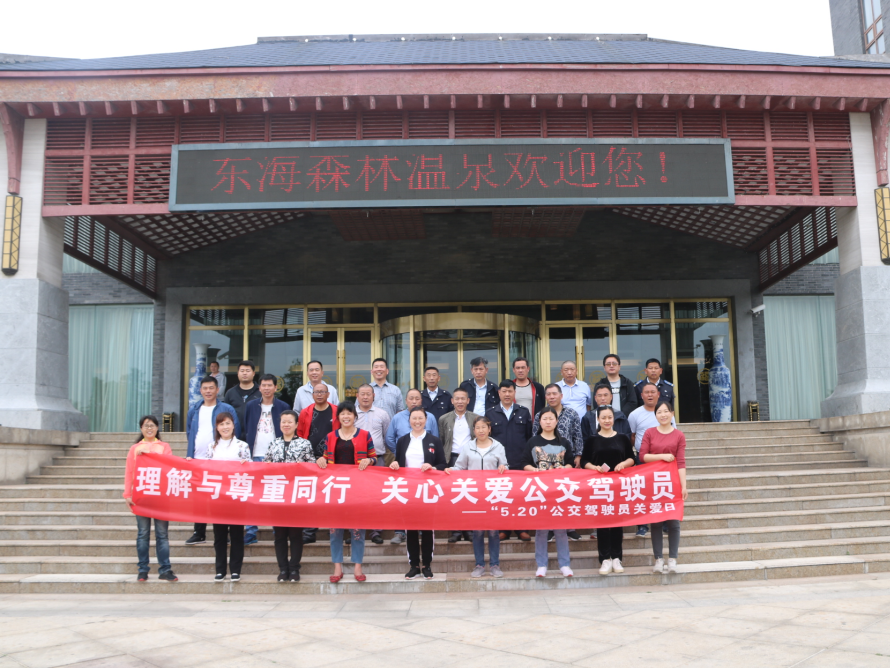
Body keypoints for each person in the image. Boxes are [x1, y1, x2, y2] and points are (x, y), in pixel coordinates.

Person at [318, 402, 374, 583]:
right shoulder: (331, 436)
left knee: (358, 530)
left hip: (358, 489)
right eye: (342, 413)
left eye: (349, 413)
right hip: (336, 489)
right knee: (335, 529)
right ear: (338, 417)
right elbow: (325, 458)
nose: (346, 416)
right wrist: (320, 460)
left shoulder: (364, 435)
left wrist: (369, 461)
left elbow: (374, 457)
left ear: (355, 416)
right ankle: (337, 567)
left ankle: (358, 566)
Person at [445, 417, 508, 577]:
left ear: (489, 429)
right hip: (475, 495)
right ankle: (479, 564)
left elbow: (505, 467)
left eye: (484, 427)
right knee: (478, 531)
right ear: (474, 431)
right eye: (477, 427)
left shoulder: (498, 446)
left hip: (493, 495)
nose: (481, 430)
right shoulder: (468, 447)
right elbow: (460, 467)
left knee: (493, 532)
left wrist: (503, 467)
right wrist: (451, 470)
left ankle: (495, 565)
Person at [390, 406, 447, 580]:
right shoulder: (402, 441)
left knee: (427, 529)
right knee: (411, 529)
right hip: (408, 490)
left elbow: (443, 465)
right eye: (414, 418)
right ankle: (414, 565)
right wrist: (394, 465)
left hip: (427, 490)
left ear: (426, 420)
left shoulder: (434, 440)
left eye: (420, 418)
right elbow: (398, 463)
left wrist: (432, 467)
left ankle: (427, 565)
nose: (417, 421)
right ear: (409, 420)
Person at [580, 405, 636, 575]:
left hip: (618, 486)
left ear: (614, 419)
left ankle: (617, 558)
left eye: (609, 417)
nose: (607, 420)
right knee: (603, 522)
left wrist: (623, 464)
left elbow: (632, 458)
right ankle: (605, 559)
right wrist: (594, 467)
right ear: (598, 419)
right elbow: (584, 461)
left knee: (617, 522)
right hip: (600, 487)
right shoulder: (592, 439)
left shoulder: (622, 438)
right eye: (603, 417)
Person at [185, 376, 240, 545]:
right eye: (205, 388)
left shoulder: (226, 408)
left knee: (223, 495)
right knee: (199, 497)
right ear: (200, 390)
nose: (208, 391)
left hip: (220, 460)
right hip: (198, 459)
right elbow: (189, 432)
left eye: (211, 388)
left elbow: (235, 430)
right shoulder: (194, 409)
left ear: (217, 390)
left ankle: (226, 531)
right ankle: (199, 532)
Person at [521, 407, 574, 578]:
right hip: (540, 490)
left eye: (551, 418)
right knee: (541, 530)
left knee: (561, 529)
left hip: (560, 490)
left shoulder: (564, 442)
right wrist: (535, 470)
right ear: (540, 422)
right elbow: (525, 464)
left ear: (557, 421)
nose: (548, 422)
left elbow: (571, 463)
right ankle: (541, 565)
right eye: (545, 419)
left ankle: (564, 564)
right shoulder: (533, 442)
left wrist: (563, 468)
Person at [124, 415, 177, 582]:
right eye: (146, 426)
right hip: (141, 496)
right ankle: (142, 569)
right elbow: (129, 472)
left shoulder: (164, 446)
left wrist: (149, 454)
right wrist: (127, 494)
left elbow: (169, 465)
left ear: (157, 428)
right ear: (141, 429)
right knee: (143, 534)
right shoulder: (135, 449)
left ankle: (165, 569)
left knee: (162, 534)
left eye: (152, 425)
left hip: (160, 496)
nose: (149, 428)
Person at [264, 409, 315, 582]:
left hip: (296, 496)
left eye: (289, 422)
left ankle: (294, 569)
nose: (286, 425)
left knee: (295, 534)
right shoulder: (273, 444)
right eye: (283, 422)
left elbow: (312, 466)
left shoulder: (304, 444)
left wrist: (303, 467)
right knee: (279, 535)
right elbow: (265, 465)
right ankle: (282, 569)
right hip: (277, 494)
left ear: (296, 424)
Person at [531, 384, 583, 541]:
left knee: (567, 494)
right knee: (548, 495)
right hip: (544, 461)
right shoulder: (540, 414)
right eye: (548, 394)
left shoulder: (571, 413)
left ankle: (570, 528)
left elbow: (577, 435)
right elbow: (535, 436)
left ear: (561, 395)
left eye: (554, 393)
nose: (552, 397)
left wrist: (578, 455)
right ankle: (550, 528)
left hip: (565, 460)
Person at [641, 400, 688, 574]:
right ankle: (658, 559)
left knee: (674, 522)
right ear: (655, 415)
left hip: (672, 483)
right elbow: (643, 456)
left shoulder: (679, 435)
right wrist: (662, 456)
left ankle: (673, 559)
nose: (663, 415)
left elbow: (681, 462)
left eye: (666, 411)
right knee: (656, 522)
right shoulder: (650, 433)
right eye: (659, 412)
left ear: (672, 414)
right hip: (654, 482)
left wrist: (683, 486)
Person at [243, 374, 290, 545]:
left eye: (270, 385)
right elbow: (245, 427)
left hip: (276, 458)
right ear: (259, 387)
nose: (267, 388)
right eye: (264, 385)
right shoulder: (251, 406)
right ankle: (251, 531)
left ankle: (278, 530)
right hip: (255, 455)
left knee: (276, 494)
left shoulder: (283, 406)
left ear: (276, 387)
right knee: (252, 495)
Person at [203, 413, 251, 581]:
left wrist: (247, 465)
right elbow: (205, 469)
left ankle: (236, 569)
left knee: (237, 535)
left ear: (233, 425)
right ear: (217, 427)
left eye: (228, 423)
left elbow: (250, 471)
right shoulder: (211, 447)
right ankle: (220, 570)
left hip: (237, 496)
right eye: (221, 424)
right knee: (219, 536)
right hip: (218, 498)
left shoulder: (242, 446)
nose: (225, 427)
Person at [628, 382, 676, 538]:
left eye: (653, 392)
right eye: (646, 392)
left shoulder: (666, 413)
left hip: (664, 460)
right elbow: (632, 436)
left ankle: (665, 523)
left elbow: (673, 433)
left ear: (658, 394)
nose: (650, 395)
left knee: (663, 491)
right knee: (642, 492)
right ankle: (642, 526)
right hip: (643, 458)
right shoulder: (634, 414)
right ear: (641, 395)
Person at [487, 379, 533, 542]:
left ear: (515, 393)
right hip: (498, 464)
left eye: (510, 391)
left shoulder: (523, 412)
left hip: (519, 462)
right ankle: (503, 529)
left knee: (520, 496)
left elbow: (528, 437)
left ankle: (522, 529)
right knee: (501, 496)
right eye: (504, 391)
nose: (507, 394)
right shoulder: (490, 413)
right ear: (499, 393)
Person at [296, 383, 340, 545]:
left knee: (332, 495)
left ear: (328, 394)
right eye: (317, 392)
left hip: (332, 459)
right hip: (310, 460)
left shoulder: (336, 411)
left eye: (322, 392)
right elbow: (300, 434)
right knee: (311, 496)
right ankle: (309, 531)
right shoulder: (305, 412)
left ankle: (334, 530)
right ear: (312, 394)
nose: (319, 394)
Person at [438, 387, 480, 543]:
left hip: (471, 460)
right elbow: (442, 440)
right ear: (452, 401)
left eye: (463, 398)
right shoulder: (444, 419)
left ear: (468, 401)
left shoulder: (476, 418)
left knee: (470, 495)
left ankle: (469, 530)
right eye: (457, 399)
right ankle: (455, 530)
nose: (460, 401)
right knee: (454, 496)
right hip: (452, 459)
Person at [354, 383, 392, 545]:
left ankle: (376, 531)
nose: (365, 397)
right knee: (356, 497)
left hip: (378, 459)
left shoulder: (382, 414)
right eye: (362, 394)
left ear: (373, 396)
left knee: (377, 497)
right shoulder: (351, 414)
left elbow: (387, 436)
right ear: (357, 396)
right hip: (355, 462)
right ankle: (355, 531)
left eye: (368, 394)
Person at [223, 360, 261, 427]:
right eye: (242, 371)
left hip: (256, 431)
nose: (245, 373)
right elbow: (225, 414)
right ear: (238, 373)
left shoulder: (261, 392)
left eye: (248, 371)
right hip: (235, 431)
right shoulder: (230, 393)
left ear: (253, 373)